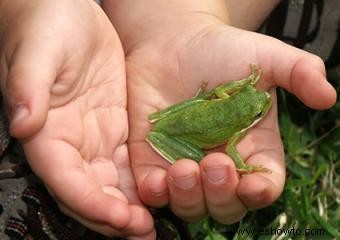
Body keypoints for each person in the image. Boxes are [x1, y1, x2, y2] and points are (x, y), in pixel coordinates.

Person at [0, 0, 336, 239]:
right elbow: (230, 140)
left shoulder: (230, 102)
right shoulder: (234, 134)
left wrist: (179, 23)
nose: (262, 103)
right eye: (257, 110)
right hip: (179, 128)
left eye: (257, 106)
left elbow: (219, 94)